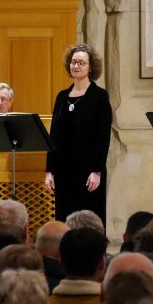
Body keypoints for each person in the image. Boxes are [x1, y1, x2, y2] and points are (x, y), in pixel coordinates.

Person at [45, 43, 112, 224]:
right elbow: (53, 136)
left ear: (91, 68)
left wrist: (97, 171)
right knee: (64, 218)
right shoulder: (62, 96)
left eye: (81, 63)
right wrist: (49, 170)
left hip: (88, 171)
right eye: (74, 62)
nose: (76, 66)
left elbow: (103, 136)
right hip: (63, 170)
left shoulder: (99, 96)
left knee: (89, 219)